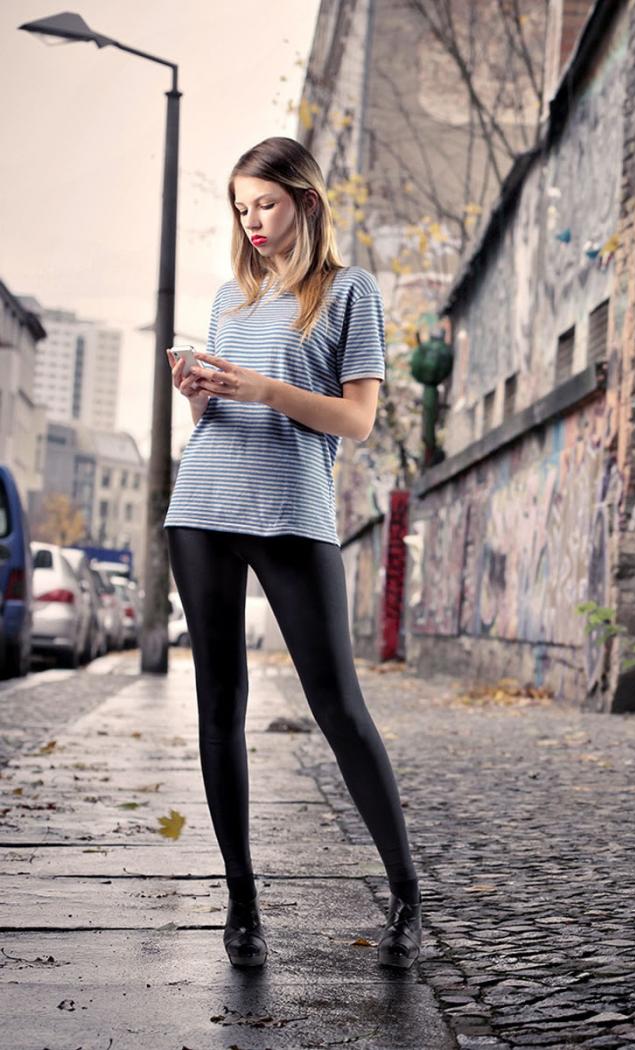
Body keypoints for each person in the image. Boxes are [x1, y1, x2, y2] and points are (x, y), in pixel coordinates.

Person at [165, 136, 421, 970]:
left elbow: (358, 420)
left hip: (292, 513)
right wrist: (199, 392)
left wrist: (265, 388)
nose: (252, 221)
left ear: (306, 201)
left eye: (265, 203)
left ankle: (406, 896)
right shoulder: (228, 300)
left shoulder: (349, 291)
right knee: (218, 706)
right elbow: (218, 420)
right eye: (241, 208)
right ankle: (242, 904)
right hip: (202, 507)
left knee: (338, 705)